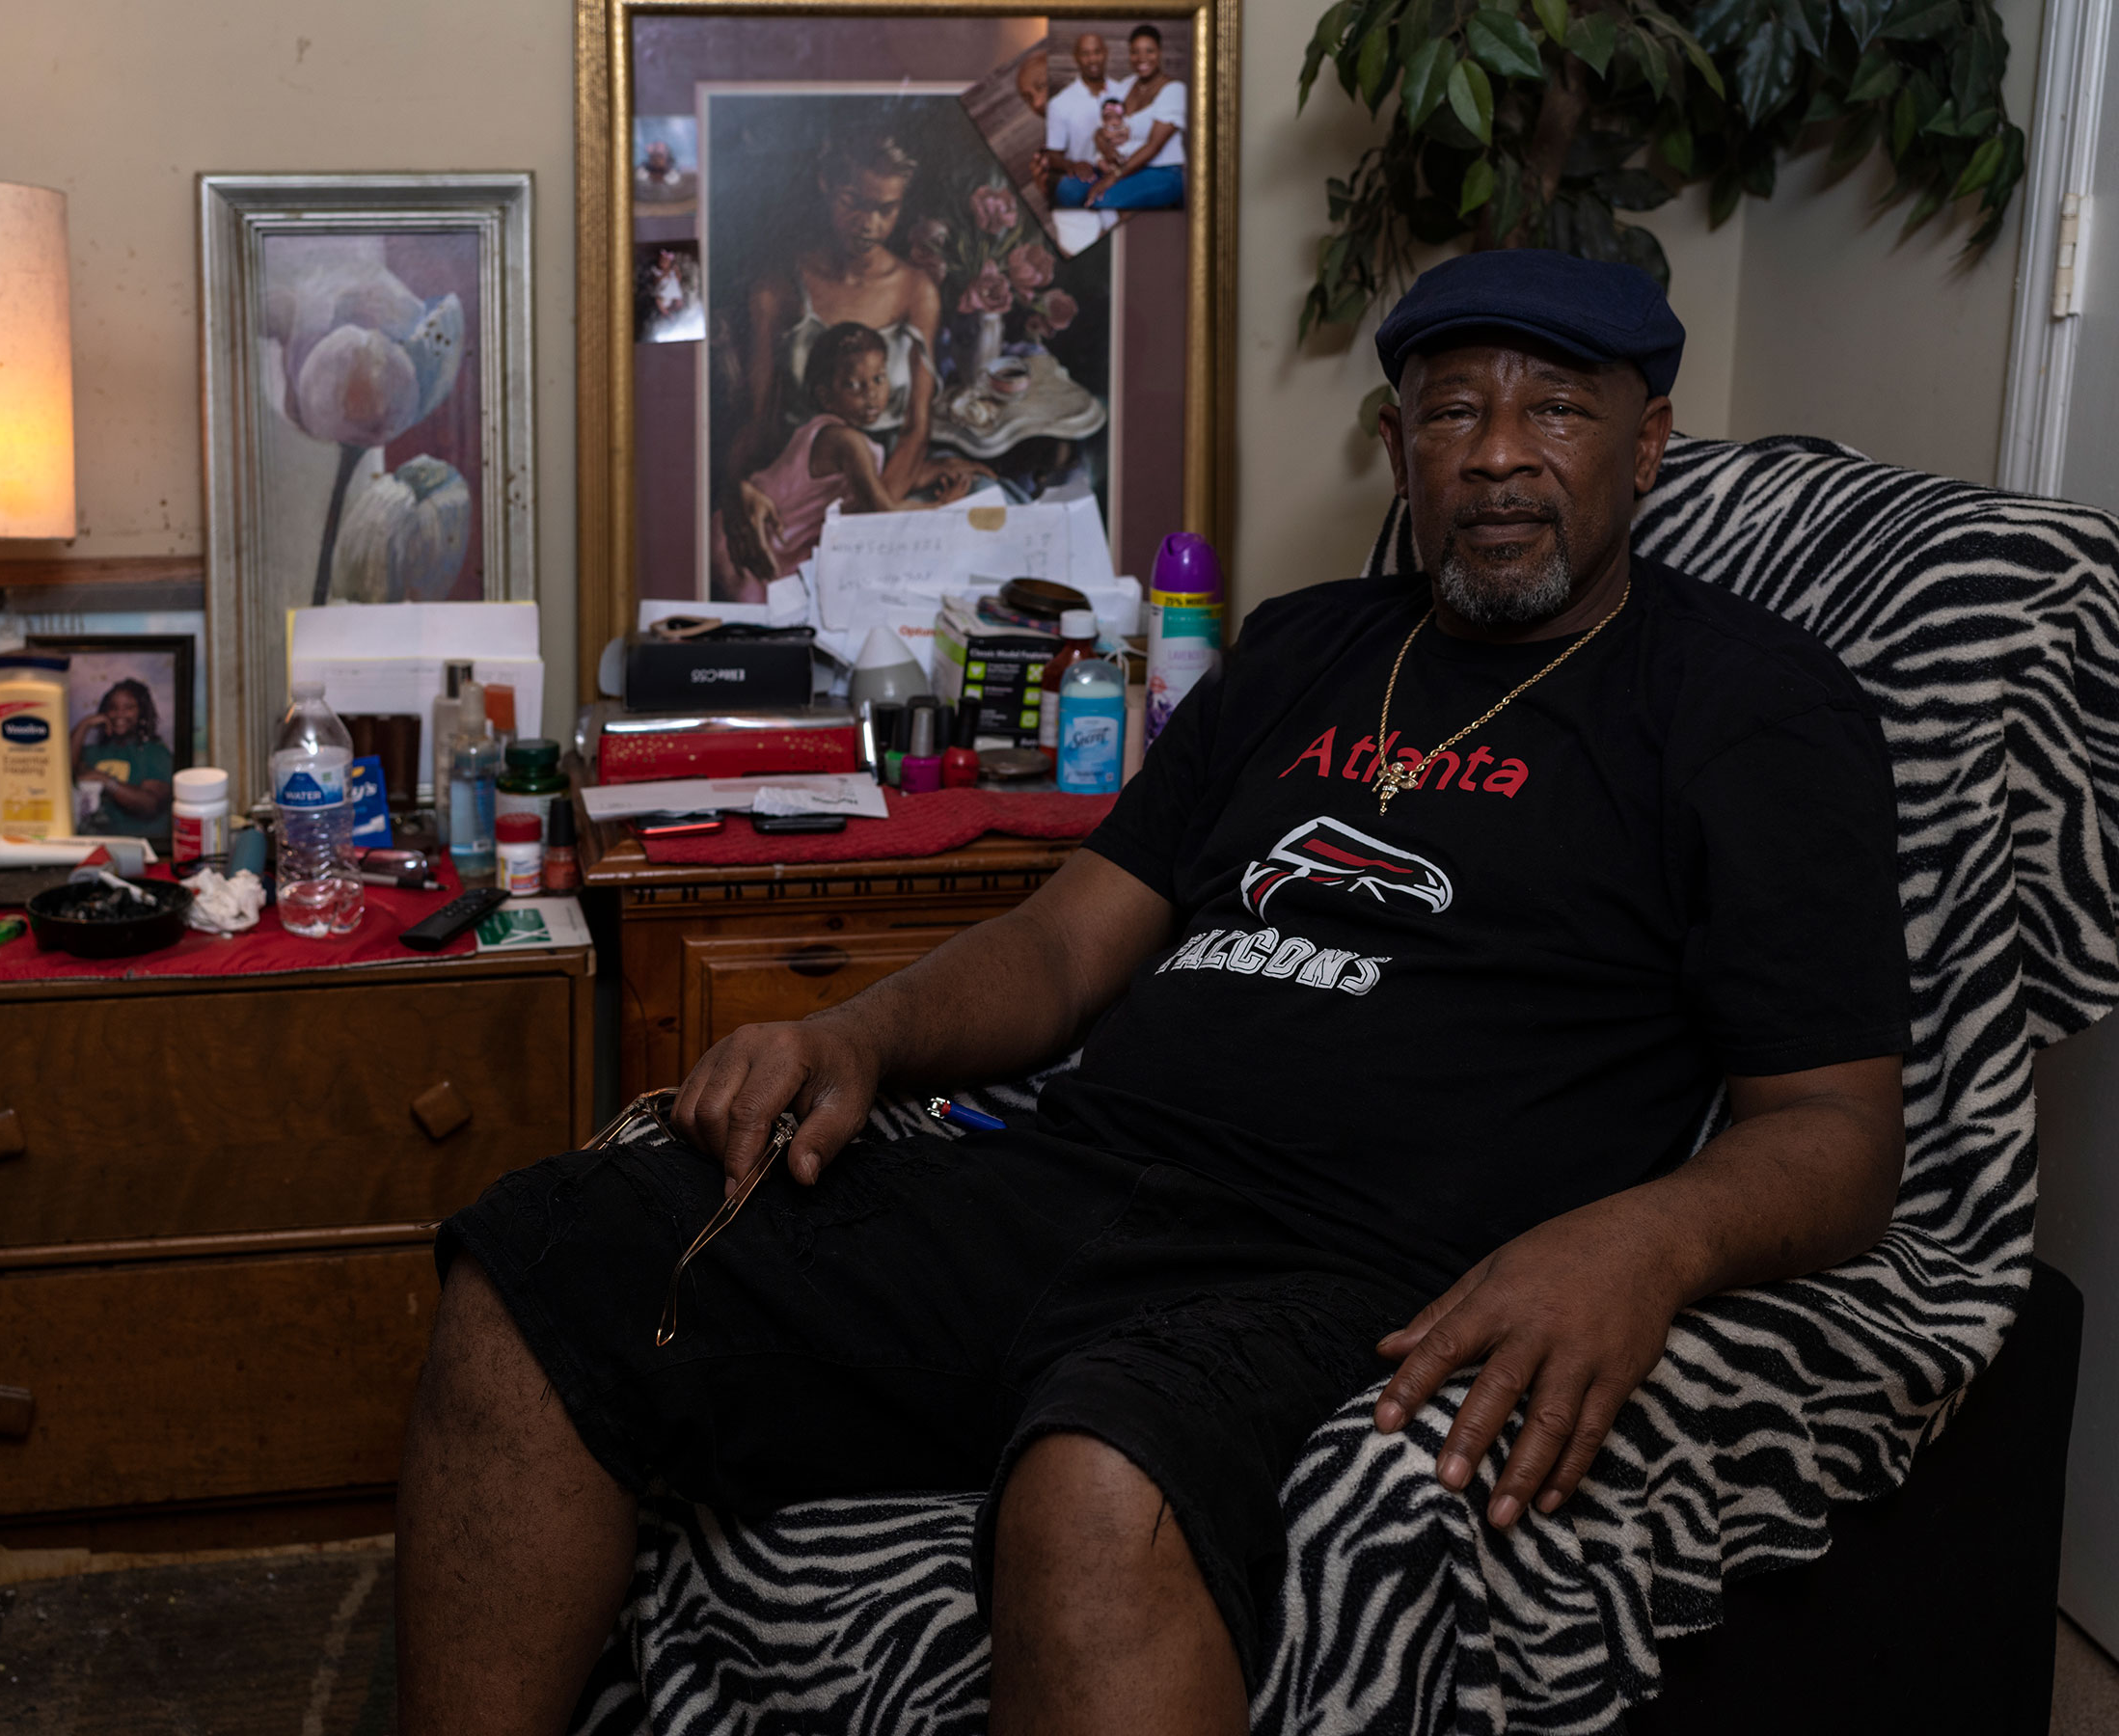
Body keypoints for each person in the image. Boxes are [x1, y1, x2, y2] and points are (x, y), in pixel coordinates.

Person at [397, 250, 1912, 1735]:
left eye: (1559, 410)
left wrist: (1645, 1240)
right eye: (1453, 413)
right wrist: (859, 1033)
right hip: (1071, 1182)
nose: (1501, 457)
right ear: (1397, 447)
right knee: (543, 1270)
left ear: (1649, 440)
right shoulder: (1302, 649)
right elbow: (1063, 949)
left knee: (1097, 1492)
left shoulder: (1750, 708)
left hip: (1356, 1266)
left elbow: (1837, 1132)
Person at [720, 129, 947, 594]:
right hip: (802, 483)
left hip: (883, 484)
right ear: (826, 184)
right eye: (855, 202)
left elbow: (916, 428)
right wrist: (733, 490)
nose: (871, 223)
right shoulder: (778, 286)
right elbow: (757, 419)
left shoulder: (916, 289)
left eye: (888, 208)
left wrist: (870, 524)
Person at [708, 322, 979, 598]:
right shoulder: (846, 442)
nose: (871, 393)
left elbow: (866, 485)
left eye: (878, 378)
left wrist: (934, 470)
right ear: (826, 396)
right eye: (853, 385)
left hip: (769, 542)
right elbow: (881, 509)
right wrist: (942, 507)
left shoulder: (827, 431)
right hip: (756, 550)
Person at [1058, 24, 1186, 211]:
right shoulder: (1126, 85)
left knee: (1104, 200)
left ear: (1159, 52)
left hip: (1161, 171)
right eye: (1135, 52)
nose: (1142, 58)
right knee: (1067, 188)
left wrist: (1113, 176)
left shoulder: (1174, 90)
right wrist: (1107, 152)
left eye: (1149, 51)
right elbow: (1100, 131)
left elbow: (1153, 146)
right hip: (1121, 167)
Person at [69, 678, 173, 841]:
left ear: (142, 712)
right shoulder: (96, 752)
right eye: (113, 707)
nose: (119, 714)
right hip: (91, 843)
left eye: (129, 707)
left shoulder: (156, 753)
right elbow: (64, 769)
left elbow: (149, 804)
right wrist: (85, 724)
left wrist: (104, 780)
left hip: (137, 846)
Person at [1037, 30, 1132, 195]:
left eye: (1097, 52)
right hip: (1087, 177)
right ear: (1076, 57)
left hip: (1125, 171)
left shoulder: (1124, 92)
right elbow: (1053, 156)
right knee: (1068, 189)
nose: (1092, 59)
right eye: (1085, 54)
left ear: (1106, 53)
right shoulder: (1059, 103)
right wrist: (1073, 166)